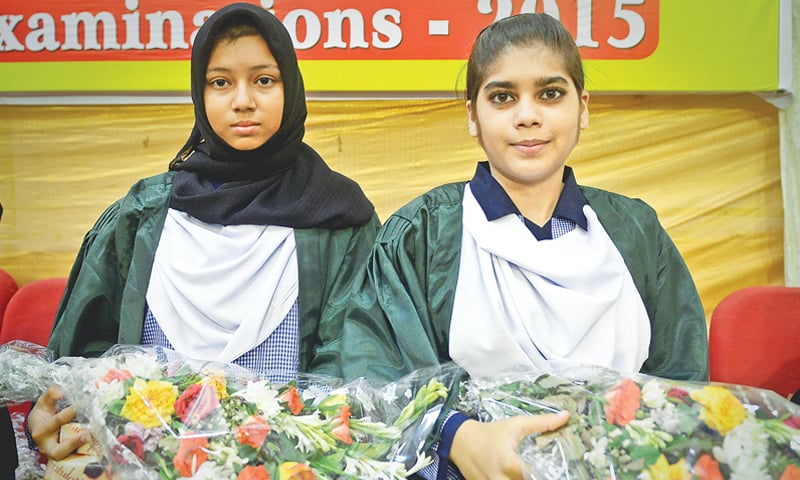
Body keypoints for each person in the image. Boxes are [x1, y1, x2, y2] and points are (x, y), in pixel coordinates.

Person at [341, 12, 708, 480]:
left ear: (584, 106)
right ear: (473, 116)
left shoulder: (636, 230)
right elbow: (376, 372)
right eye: (503, 97)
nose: (528, 115)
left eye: (550, 94)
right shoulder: (424, 233)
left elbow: (680, 378)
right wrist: (459, 437)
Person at [28, 2, 378, 461]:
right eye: (220, 82)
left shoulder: (339, 220)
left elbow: (353, 371)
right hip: (143, 464)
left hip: (288, 464)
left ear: (291, 88)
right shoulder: (143, 216)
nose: (242, 100)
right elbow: (84, 356)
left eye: (264, 80)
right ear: (199, 92)